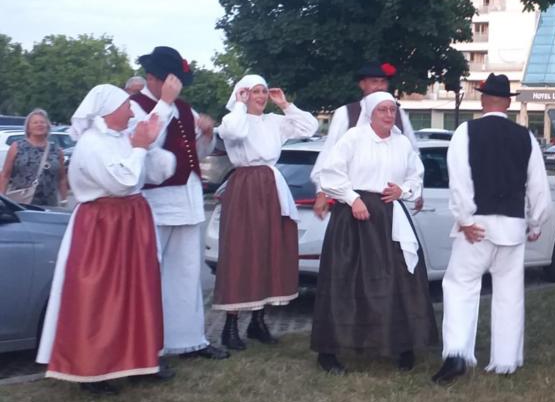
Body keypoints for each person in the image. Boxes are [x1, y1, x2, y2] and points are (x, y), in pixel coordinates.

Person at [36, 85, 174, 393]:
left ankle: (140, 360)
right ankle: (93, 369)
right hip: (102, 225)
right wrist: (140, 148)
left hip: (131, 221)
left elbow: (150, 172)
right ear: (109, 110)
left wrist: (148, 145)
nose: (131, 110)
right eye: (126, 105)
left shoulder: (121, 137)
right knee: (99, 295)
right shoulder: (92, 143)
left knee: (138, 291)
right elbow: (121, 182)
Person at [432, 74, 551, 384]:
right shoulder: (526, 137)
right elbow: (538, 186)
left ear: (483, 100)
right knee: (509, 294)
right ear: (508, 103)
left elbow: (459, 180)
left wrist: (465, 219)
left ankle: (457, 353)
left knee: (461, 286)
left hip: (477, 225)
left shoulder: (466, 132)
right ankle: (506, 360)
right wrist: (535, 221)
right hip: (512, 225)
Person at [311, 91, 437, 373]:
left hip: (390, 218)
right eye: (383, 110)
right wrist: (352, 198)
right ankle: (329, 352)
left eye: (392, 110)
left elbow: (415, 175)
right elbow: (330, 173)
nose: (389, 115)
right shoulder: (353, 138)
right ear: (370, 112)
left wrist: (403, 190)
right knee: (345, 281)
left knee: (399, 279)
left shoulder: (402, 143)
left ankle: (401, 344)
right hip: (354, 218)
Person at [131, 46, 228, 362]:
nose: (177, 87)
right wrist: (164, 103)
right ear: (153, 78)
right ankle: (149, 346)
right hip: (155, 202)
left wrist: (206, 135)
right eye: (171, 81)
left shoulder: (184, 108)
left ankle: (188, 340)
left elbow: (197, 153)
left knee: (186, 274)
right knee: (150, 275)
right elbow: (146, 144)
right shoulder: (135, 106)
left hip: (186, 200)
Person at [213, 74, 319, 348]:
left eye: (263, 91)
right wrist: (239, 104)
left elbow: (309, 126)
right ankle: (230, 325)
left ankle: (258, 321)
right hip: (246, 187)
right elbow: (234, 132)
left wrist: (284, 104)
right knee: (241, 252)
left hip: (271, 187)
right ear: (243, 94)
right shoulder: (233, 121)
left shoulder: (273, 122)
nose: (260, 96)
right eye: (254, 91)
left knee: (268, 250)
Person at [312, 61, 419, 217]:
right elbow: (329, 153)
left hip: (389, 204)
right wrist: (321, 193)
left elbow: (413, 157)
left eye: (383, 82)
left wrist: (412, 191)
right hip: (352, 201)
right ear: (362, 84)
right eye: (374, 82)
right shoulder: (346, 113)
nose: (379, 86)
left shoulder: (398, 115)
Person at [0, 108, 68, 207]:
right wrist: (2, 199)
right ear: (28, 128)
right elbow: (5, 175)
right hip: (21, 204)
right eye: (35, 122)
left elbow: (62, 178)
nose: (39, 125)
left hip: (49, 204)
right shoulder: (17, 147)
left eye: (42, 122)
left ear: (47, 126)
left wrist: (64, 200)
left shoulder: (57, 150)